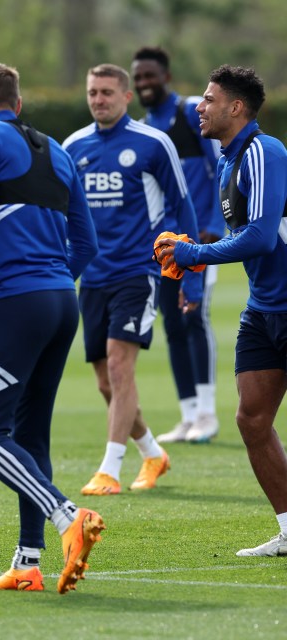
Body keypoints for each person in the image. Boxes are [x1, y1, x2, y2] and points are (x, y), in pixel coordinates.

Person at [0, 63, 104, 594]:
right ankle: (28, 563)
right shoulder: (59, 151)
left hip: (16, 301)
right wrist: (54, 285)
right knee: (30, 435)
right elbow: (89, 246)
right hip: (62, 303)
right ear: (20, 104)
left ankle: (67, 516)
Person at [155, 65, 287, 557]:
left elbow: (258, 235)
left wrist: (195, 255)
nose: (198, 107)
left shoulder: (262, 152)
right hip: (264, 308)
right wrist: (190, 258)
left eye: (209, 99)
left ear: (236, 108)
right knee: (252, 421)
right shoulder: (229, 162)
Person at [62, 64, 201, 496]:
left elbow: (184, 206)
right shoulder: (74, 146)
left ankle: (110, 469)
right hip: (93, 279)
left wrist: (191, 279)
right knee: (107, 382)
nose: (98, 99)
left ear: (125, 97)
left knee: (121, 367)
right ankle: (153, 453)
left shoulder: (153, 143)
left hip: (138, 274)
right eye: (92, 92)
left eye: (107, 92)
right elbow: (68, 217)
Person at [131, 46, 224, 444]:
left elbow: (222, 163)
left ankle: (208, 413)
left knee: (194, 316)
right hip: (163, 246)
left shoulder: (190, 113)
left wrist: (218, 223)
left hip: (200, 240)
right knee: (172, 320)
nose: (143, 83)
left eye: (149, 76)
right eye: (137, 78)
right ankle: (187, 416)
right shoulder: (143, 127)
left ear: (165, 77)